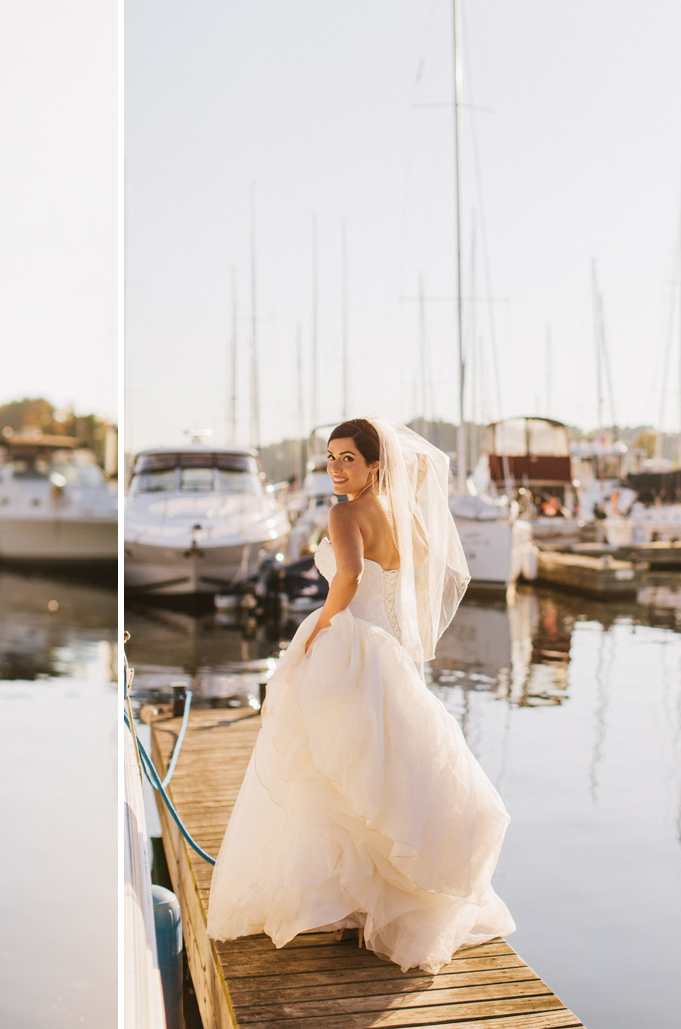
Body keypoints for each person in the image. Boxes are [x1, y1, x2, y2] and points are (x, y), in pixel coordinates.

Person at [205, 417, 514, 974]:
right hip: (390, 650)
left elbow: (346, 576)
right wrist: (406, 485)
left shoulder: (344, 513)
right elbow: (416, 562)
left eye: (349, 458)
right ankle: (370, 903)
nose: (336, 469)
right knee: (383, 773)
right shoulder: (403, 515)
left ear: (376, 463)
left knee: (329, 771)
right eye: (331, 457)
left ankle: (350, 903)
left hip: (349, 644)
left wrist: (322, 625)